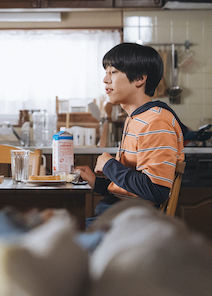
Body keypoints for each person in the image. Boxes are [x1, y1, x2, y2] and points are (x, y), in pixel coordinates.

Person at [75, 43, 187, 223]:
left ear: (140, 79)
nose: (105, 79)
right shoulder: (135, 118)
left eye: (113, 72)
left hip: (132, 222)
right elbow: (133, 189)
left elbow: (155, 190)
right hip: (120, 214)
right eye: (106, 72)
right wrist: (96, 182)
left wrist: (109, 165)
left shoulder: (156, 122)